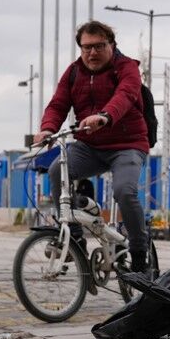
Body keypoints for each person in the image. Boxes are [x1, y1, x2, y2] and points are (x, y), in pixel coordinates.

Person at [34, 20, 150, 271]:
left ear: (111, 45)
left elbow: (126, 95)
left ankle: (140, 251)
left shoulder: (127, 67)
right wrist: (47, 129)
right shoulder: (74, 72)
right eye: (86, 48)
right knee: (56, 171)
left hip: (127, 144)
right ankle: (74, 237)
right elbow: (58, 104)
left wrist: (105, 116)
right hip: (89, 146)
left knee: (124, 191)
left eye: (99, 46)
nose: (92, 53)